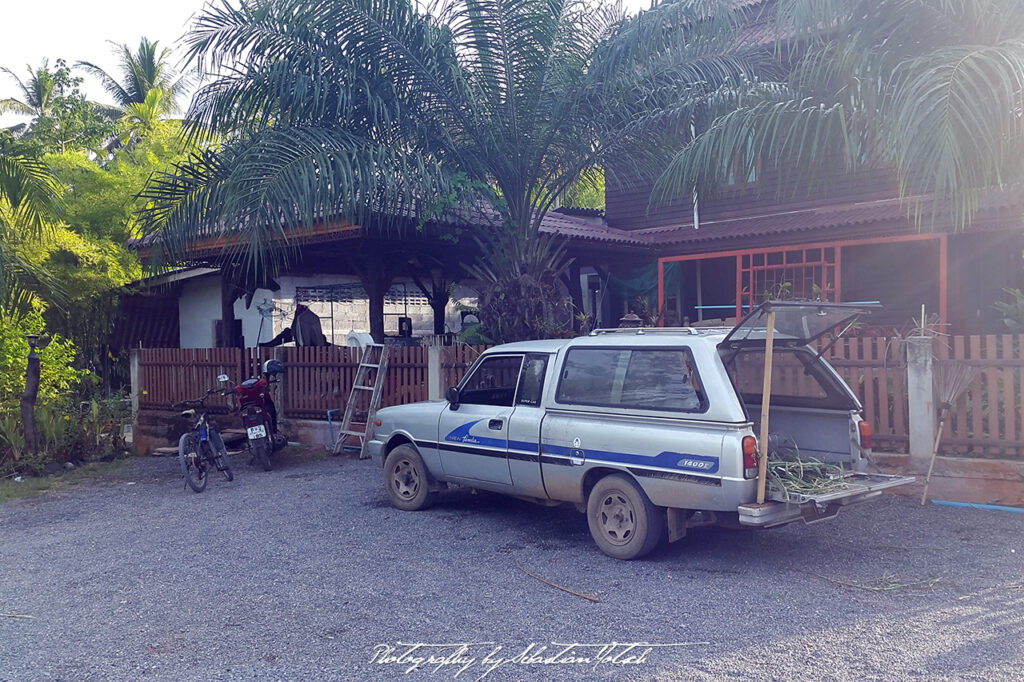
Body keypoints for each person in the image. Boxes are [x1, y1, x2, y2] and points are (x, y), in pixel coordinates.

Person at [260, 303, 329, 347]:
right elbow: (295, 328)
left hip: (307, 342)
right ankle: (269, 344)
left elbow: (306, 333)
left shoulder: (307, 317)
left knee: (284, 335)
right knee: (284, 334)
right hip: (303, 340)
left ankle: (269, 344)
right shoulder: (302, 316)